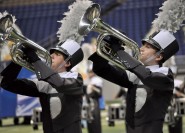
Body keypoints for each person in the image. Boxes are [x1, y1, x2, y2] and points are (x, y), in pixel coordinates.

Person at [88, 29, 179, 133]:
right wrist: (106, 48)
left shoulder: (166, 76)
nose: (141, 49)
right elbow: (101, 69)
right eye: (143, 45)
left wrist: (119, 51)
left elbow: (147, 76)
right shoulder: (135, 75)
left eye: (147, 47)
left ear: (159, 56)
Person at [0, 39, 84, 133]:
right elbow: (6, 83)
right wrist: (19, 61)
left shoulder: (76, 78)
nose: (51, 55)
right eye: (52, 53)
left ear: (68, 63)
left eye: (57, 54)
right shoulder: (44, 82)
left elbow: (59, 84)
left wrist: (36, 60)